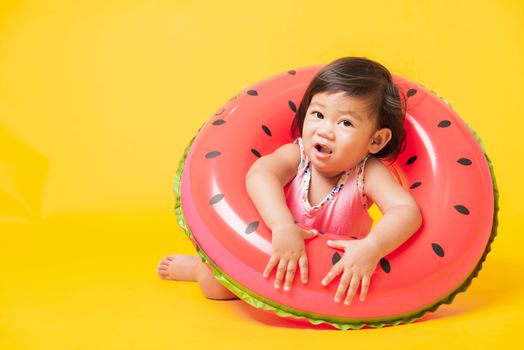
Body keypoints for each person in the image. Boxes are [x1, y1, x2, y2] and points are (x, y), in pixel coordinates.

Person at [157, 57, 422, 305]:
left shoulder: (370, 173)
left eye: (345, 123)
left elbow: (405, 211)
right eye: (318, 115)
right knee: (214, 286)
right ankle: (197, 266)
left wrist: (372, 247)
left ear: (375, 140)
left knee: (358, 297)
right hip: (271, 250)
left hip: (332, 271)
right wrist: (282, 226)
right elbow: (261, 174)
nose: (325, 130)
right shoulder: (298, 155)